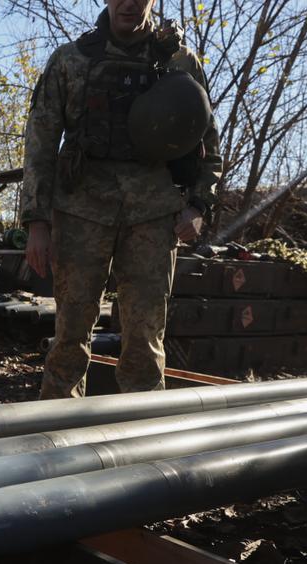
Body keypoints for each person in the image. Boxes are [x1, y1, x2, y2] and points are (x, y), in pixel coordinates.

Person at [21, 0, 223, 397]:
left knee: (145, 344)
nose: (130, 3)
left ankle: (140, 444)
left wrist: (199, 205)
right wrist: (37, 222)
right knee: (69, 337)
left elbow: (207, 142)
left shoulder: (180, 62)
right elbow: (40, 144)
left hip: (153, 212)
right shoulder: (71, 60)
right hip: (81, 208)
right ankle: (54, 442)